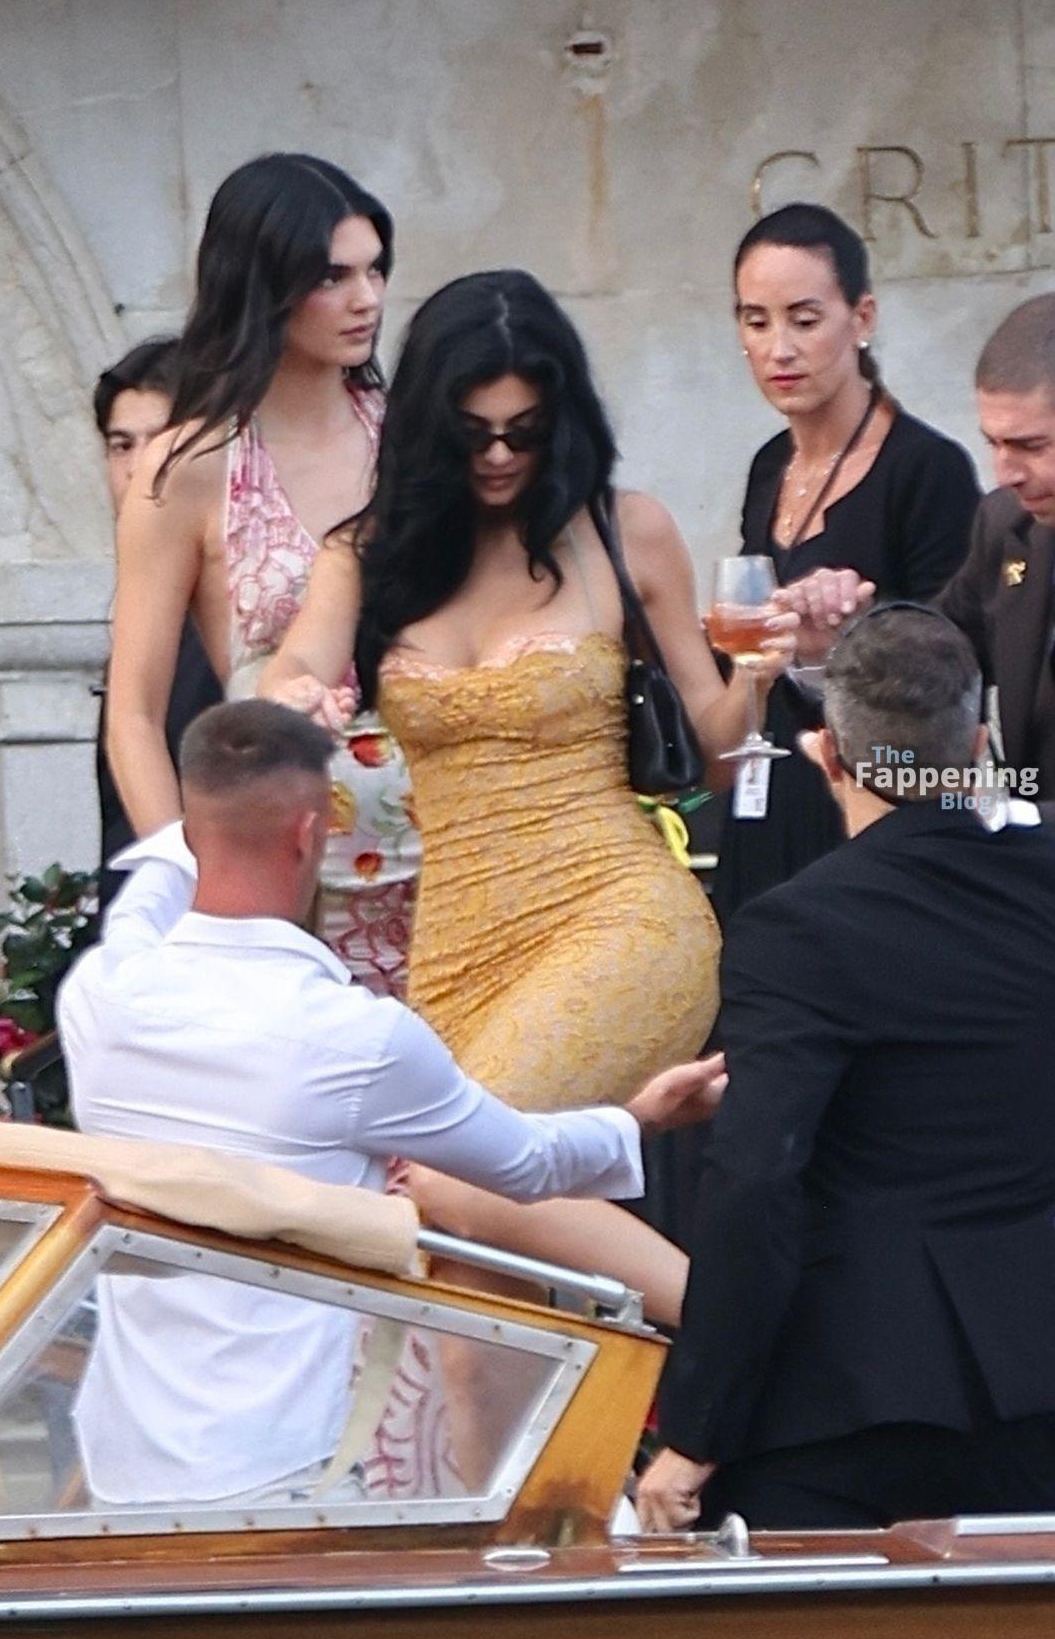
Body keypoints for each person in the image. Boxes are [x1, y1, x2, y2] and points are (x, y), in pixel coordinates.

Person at [259, 269, 795, 1322]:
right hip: (458, 945)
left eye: (526, 431)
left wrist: (759, 677)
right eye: (475, 435)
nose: (502, 456)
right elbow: (294, 667)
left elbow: (718, 751)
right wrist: (297, 698)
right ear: (429, 430)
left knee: (457, 1176)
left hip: (617, 913)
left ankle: (752, 1342)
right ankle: (560, 1449)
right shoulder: (368, 554)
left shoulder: (622, 529)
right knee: (469, 1274)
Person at [59, 700, 724, 1508]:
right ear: (311, 833)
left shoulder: (100, 994)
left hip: (123, 1465)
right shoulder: (354, 1036)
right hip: (283, 1472)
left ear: (195, 829)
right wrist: (641, 1117)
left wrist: (188, 835)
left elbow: (145, 896)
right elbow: (526, 1163)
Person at [637, 606, 1055, 1533]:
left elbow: (755, 1180)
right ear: (976, 746)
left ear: (827, 754)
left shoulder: (798, 927)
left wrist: (695, 1431)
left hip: (860, 1402)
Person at [105, 154, 419, 995]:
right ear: (262, 284)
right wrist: (189, 888)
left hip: (452, 864)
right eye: (332, 277)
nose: (366, 298)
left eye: (375, 270)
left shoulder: (417, 438)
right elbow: (133, 713)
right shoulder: (189, 466)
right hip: (282, 886)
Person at [712, 203, 979, 923]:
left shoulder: (925, 468)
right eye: (755, 321)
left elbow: (956, 664)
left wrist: (849, 638)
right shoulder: (769, 465)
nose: (779, 349)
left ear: (861, 318)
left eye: (804, 320)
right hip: (770, 786)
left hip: (874, 809)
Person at [784, 294, 1055, 817]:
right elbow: (930, 664)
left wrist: (1006, 819)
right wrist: (835, 647)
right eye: (994, 444)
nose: (1005, 473)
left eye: (1032, 446)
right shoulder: (1006, 526)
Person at [92, 337, 222, 909]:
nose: (141, 466)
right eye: (122, 445)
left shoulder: (242, 598)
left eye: (165, 439)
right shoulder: (135, 597)